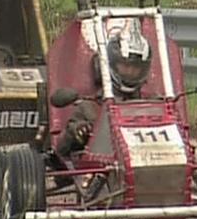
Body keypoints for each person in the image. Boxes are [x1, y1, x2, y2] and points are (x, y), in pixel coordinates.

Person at [57, 20, 153, 156]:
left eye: (135, 68)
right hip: (104, 170)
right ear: (111, 65)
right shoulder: (90, 108)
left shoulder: (153, 104)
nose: (130, 73)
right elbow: (61, 149)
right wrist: (77, 131)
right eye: (125, 67)